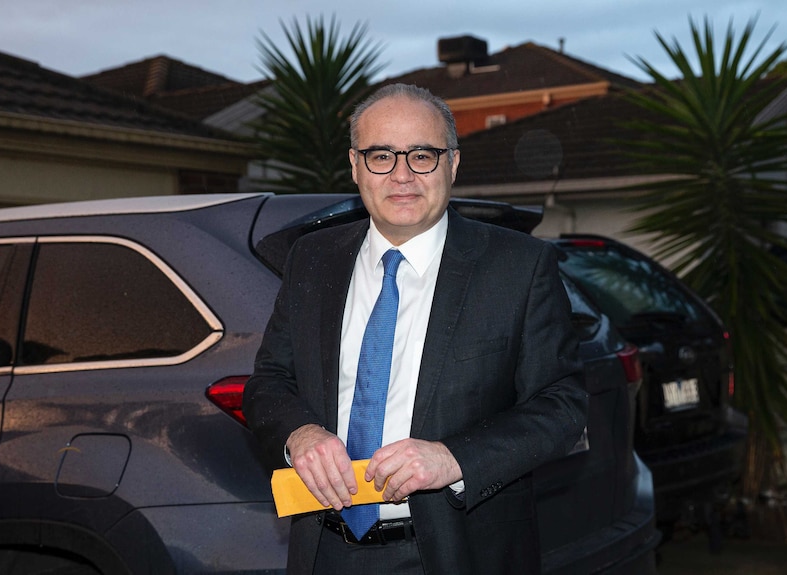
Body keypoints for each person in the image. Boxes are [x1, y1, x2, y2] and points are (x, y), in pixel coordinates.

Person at [243, 83, 588, 575]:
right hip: (324, 551)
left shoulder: (518, 266)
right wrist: (298, 433)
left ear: (452, 162)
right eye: (381, 155)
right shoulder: (312, 259)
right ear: (356, 165)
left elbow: (562, 404)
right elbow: (269, 381)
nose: (402, 174)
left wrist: (454, 458)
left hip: (457, 553)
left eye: (422, 154)